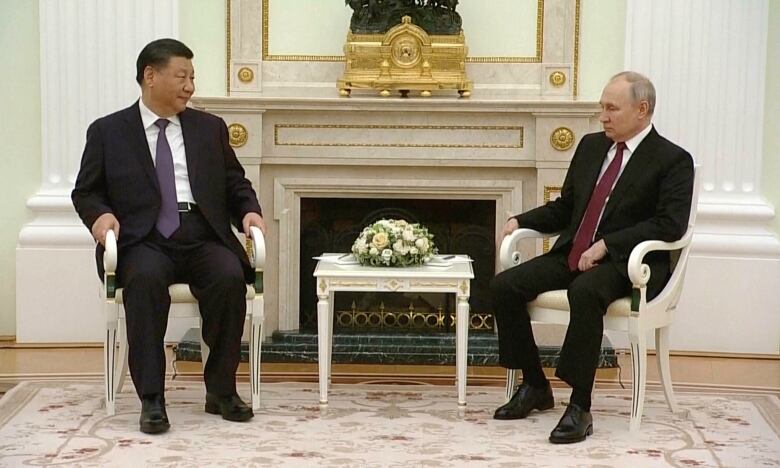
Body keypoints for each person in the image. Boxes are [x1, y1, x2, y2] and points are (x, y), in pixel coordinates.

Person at [72, 38, 267, 434]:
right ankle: (152, 399)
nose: (190, 86)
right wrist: (100, 216)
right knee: (143, 281)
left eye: (192, 77)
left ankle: (221, 391)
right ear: (150, 76)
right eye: (182, 76)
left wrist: (249, 211)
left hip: (200, 232)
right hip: (142, 238)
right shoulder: (109, 131)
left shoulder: (208, 128)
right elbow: (86, 191)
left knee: (229, 277)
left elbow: (234, 182)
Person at [491, 71, 694, 444]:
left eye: (611, 108)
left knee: (584, 291)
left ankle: (580, 405)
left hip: (629, 265)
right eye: (602, 107)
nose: (602, 116)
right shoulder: (590, 146)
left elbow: (670, 225)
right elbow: (567, 207)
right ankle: (535, 384)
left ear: (642, 110)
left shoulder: (672, 160)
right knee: (504, 286)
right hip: (574, 252)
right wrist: (521, 220)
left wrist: (608, 244)